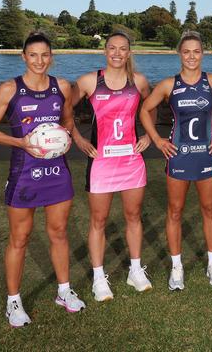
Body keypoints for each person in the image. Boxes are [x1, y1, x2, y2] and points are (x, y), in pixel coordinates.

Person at [0, 32, 85, 327]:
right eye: (33, 55)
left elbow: (67, 120)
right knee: (20, 238)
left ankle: (64, 291)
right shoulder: (9, 90)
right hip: (24, 174)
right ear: (24, 57)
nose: (39, 61)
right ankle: (13, 302)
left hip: (57, 173)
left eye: (45, 55)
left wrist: (64, 137)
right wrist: (23, 143)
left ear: (51, 56)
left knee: (58, 232)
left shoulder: (62, 87)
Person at [139, 31, 212, 290]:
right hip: (178, 156)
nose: (191, 56)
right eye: (186, 51)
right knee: (175, 211)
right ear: (179, 54)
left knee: (209, 210)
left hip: (207, 155)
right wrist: (157, 139)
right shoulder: (168, 85)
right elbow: (144, 109)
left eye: (196, 51)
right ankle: (177, 268)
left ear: (202, 54)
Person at [72, 31, 153, 301]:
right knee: (99, 220)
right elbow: (63, 109)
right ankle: (98, 278)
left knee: (133, 217)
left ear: (129, 53)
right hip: (101, 163)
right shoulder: (88, 81)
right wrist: (78, 139)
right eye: (112, 48)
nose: (117, 53)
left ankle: (135, 270)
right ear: (105, 51)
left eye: (122, 49)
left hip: (131, 160)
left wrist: (148, 135)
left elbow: (151, 107)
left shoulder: (138, 81)